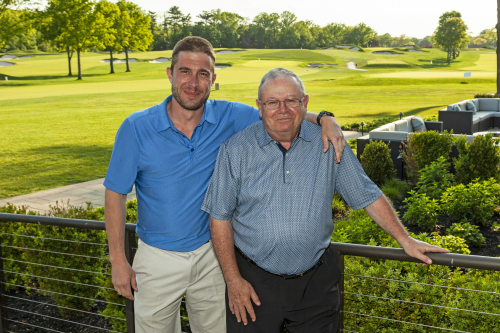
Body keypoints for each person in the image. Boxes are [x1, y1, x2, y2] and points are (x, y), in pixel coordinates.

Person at [104, 37, 346, 333]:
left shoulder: (231, 116)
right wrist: (118, 259)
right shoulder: (136, 127)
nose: (193, 82)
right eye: (184, 72)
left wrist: (324, 118)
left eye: (202, 74)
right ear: (170, 73)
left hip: (212, 258)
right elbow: (115, 193)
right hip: (157, 258)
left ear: (213, 79)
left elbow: (279, 113)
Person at [202, 67, 450, 333]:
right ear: (260, 107)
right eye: (272, 102)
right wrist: (233, 280)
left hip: (315, 284)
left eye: (292, 101)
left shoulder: (330, 142)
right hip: (253, 283)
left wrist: (405, 239)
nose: (282, 109)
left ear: (305, 103)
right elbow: (219, 217)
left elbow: (366, 194)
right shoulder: (235, 150)